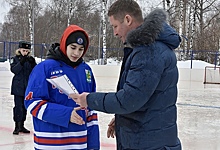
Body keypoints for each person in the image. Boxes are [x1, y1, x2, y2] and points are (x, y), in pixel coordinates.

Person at [69, 0, 182, 149]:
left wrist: (88, 99)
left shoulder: (148, 51)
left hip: (148, 143)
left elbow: (129, 100)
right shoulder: (151, 47)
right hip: (152, 138)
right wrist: (122, 118)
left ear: (128, 20)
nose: (115, 32)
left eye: (115, 26)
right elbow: (143, 98)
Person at [24, 25, 100, 150]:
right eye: (73, 47)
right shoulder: (45, 68)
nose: (77, 53)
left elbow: (91, 110)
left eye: (81, 49)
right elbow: (32, 103)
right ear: (64, 44)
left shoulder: (86, 71)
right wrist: (66, 114)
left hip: (78, 143)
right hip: (50, 144)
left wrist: (93, 146)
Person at [10, 40, 37, 135]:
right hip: (18, 87)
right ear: (20, 50)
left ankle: (22, 125)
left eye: (27, 51)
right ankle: (17, 126)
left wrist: (33, 64)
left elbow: (35, 72)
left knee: (24, 107)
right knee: (18, 107)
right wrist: (21, 62)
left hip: (27, 87)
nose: (25, 52)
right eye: (23, 50)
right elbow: (14, 70)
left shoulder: (30, 59)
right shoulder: (15, 59)